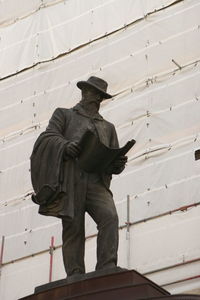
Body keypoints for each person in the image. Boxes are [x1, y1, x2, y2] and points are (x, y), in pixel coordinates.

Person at [31, 76, 127, 277]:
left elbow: (112, 160)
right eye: (94, 93)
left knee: (109, 216)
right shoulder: (64, 114)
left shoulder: (108, 127)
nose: (96, 99)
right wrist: (65, 146)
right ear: (84, 92)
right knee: (73, 228)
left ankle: (106, 267)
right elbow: (48, 137)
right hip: (71, 181)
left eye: (100, 96)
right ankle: (75, 275)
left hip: (96, 182)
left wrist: (117, 164)